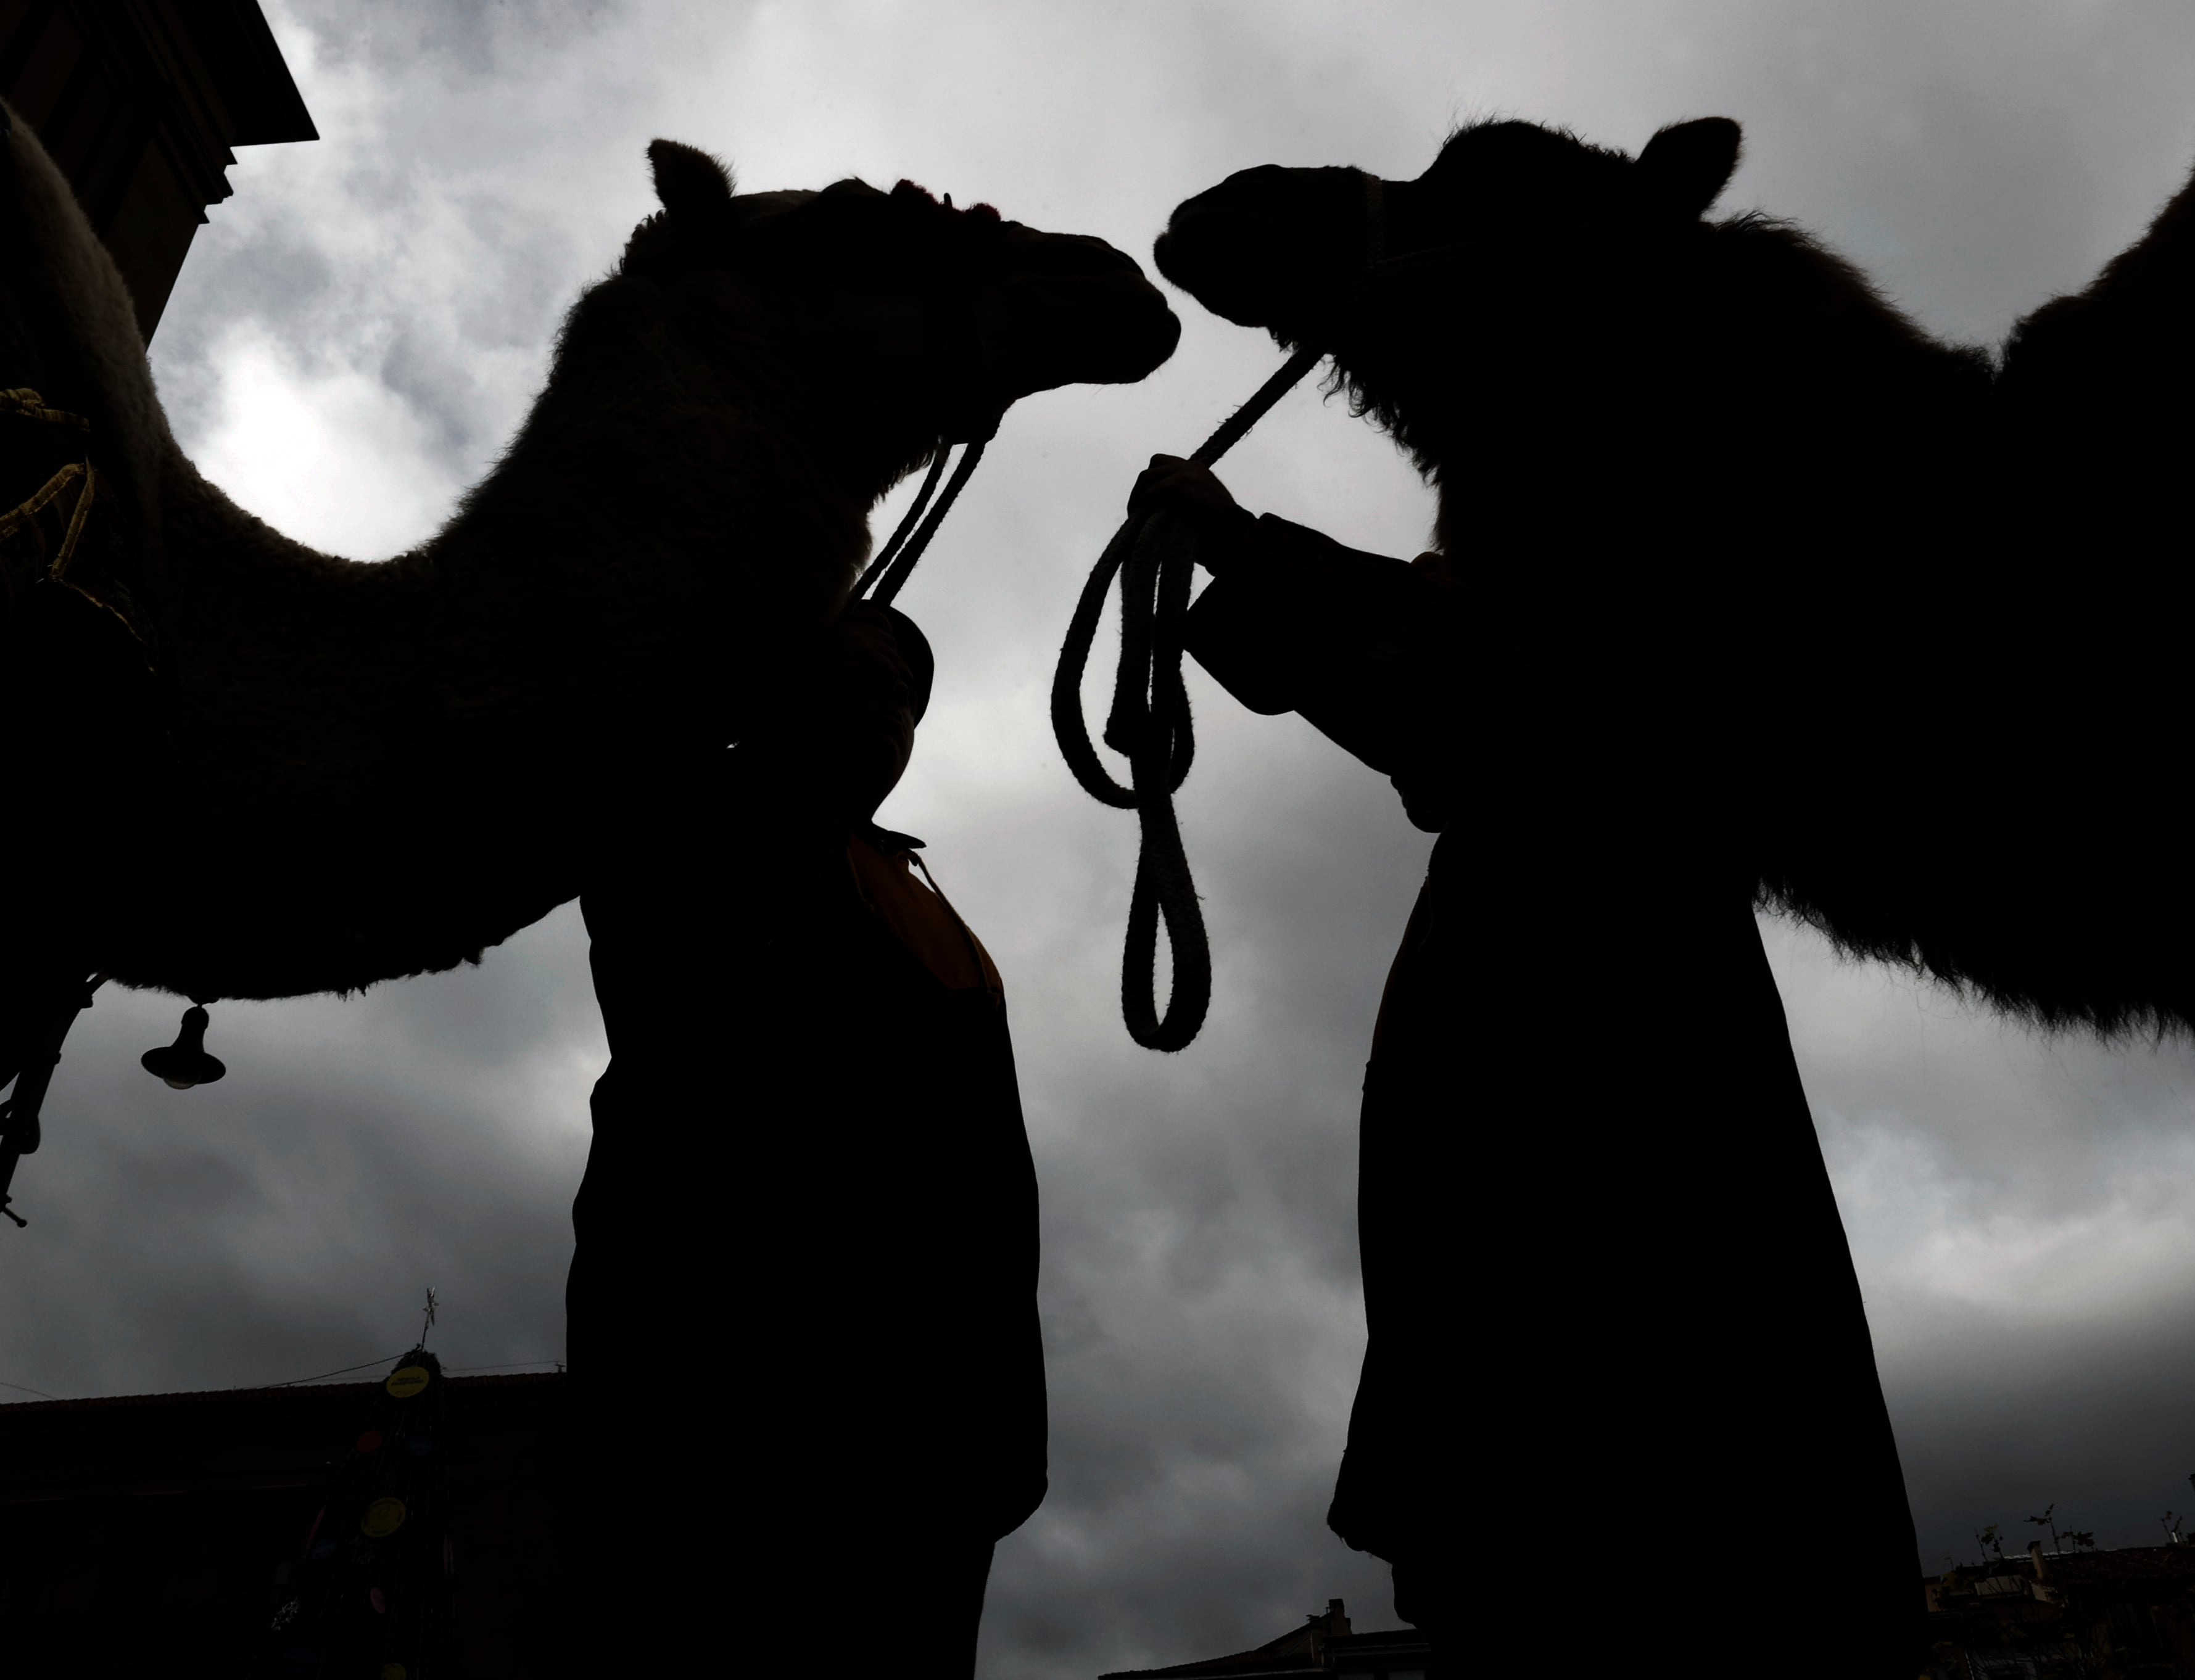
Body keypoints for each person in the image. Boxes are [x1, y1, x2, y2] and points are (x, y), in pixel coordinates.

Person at [1136, 456, 1912, 1670]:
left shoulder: (1601, 724)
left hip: (1604, 1393)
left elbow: (1457, 679)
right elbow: (1440, 640)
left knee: (1590, 1562)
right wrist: (1246, 545)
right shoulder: (1570, 750)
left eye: (1459, 570)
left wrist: (1244, 551)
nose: (1433, 575)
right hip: (1583, 1381)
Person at [566, 601, 1044, 1672]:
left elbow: (988, 1192)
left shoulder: (922, 900)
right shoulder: (686, 819)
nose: (893, 710)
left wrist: (1004, 1428)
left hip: (928, 1435)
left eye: (909, 701)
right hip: (721, 1411)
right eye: (867, 676)